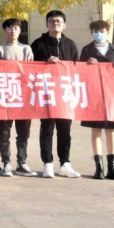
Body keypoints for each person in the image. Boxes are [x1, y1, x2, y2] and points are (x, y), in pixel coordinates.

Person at [31, 10, 81, 179]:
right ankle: (48, 163)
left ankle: (65, 163)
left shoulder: (70, 44)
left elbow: (76, 68)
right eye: (51, 21)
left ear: (64, 25)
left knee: (65, 130)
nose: (55, 23)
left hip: (65, 94)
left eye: (58, 21)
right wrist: (45, 63)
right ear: (47, 24)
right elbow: (30, 67)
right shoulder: (38, 44)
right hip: (46, 94)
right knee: (47, 130)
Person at [80, 20, 114, 181]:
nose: (99, 34)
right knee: (96, 130)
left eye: (102, 31)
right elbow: (80, 73)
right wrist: (87, 65)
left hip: (112, 94)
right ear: (92, 33)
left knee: (111, 131)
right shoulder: (87, 50)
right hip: (94, 93)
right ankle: (98, 168)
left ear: (107, 32)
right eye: (96, 31)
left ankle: (112, 168)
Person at [0, 19, 37, 178]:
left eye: (15, 28)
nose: (13, 31)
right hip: (5, 96)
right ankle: (6, 162)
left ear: (20, 30)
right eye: (9, 28)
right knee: (4, 131)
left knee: (23, 132)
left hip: (23, 97)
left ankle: (22, 162)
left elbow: (32, 70)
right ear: (5, 30)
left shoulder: (26, 49)